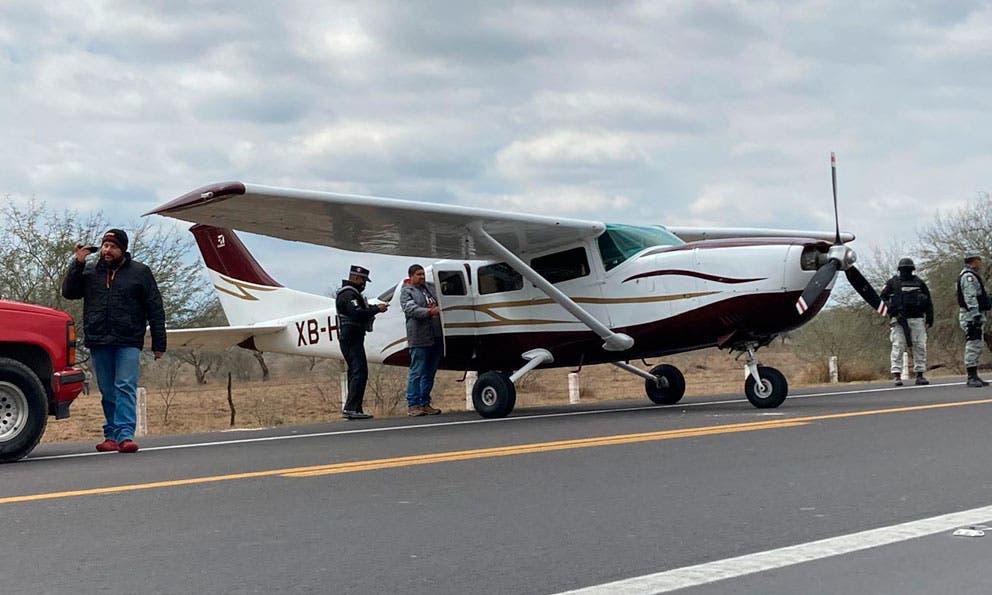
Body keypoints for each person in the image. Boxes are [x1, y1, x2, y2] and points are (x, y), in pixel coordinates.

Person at [61, 229, 166, 453]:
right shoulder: (89, 272)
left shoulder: (140, 272)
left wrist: (159, 343)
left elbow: (155, 308)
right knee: (108, 390)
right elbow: (69, 292)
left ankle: (125, 435)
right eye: (105, 246)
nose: (107, 250)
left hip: (128, 339)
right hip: (99, 339)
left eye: (113, 247)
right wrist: (77, 263)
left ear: (123, 250)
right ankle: (111, 435)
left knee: (125, 386)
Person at [336, 265, 387, 419]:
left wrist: (373, 308)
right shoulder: (349, 294)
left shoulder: (353, 293)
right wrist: (376, 310)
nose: (364, 284)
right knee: (359, 370)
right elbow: (356, 313)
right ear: (356, 278)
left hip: (354, 336)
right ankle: (351, 408)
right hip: (351, 337)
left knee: (357, 371)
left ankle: (355, 408)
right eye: (363, 280)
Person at [880, 257, 933, 386]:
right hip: (898, 319)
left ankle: (920, 374)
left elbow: (928, 301)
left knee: (919, 346)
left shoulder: (919, 283)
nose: (906, 272)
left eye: (908, 270)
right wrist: (891, 310)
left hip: (917, 318)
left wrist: (930, 317)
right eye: (904, 270)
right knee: (898, 346)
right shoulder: (892, 283)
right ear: (900, 270)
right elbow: (881, 299)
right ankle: (897, 375)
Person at [401, 264, 443, 416]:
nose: (422, 277)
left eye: (423, 274)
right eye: (418, 274)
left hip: (436, 335)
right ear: (411, 276)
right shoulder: (407, 291)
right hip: (419, 337)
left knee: (429, 372)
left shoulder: (431, 288)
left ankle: (425, 403)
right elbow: (410, 309)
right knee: (417, 371)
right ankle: (413, 405)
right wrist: (430, 311)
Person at [958, 253, 991, 387]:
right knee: (973, 344)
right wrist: (975, 313)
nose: (980, 263)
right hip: (971, 316)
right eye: (979, 261)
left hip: (975, 314)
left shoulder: (971, 275)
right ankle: (971, 376)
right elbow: (970, 296)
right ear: (973, 262)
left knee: (977, 345)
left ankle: (975, 375)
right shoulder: (968, 277)